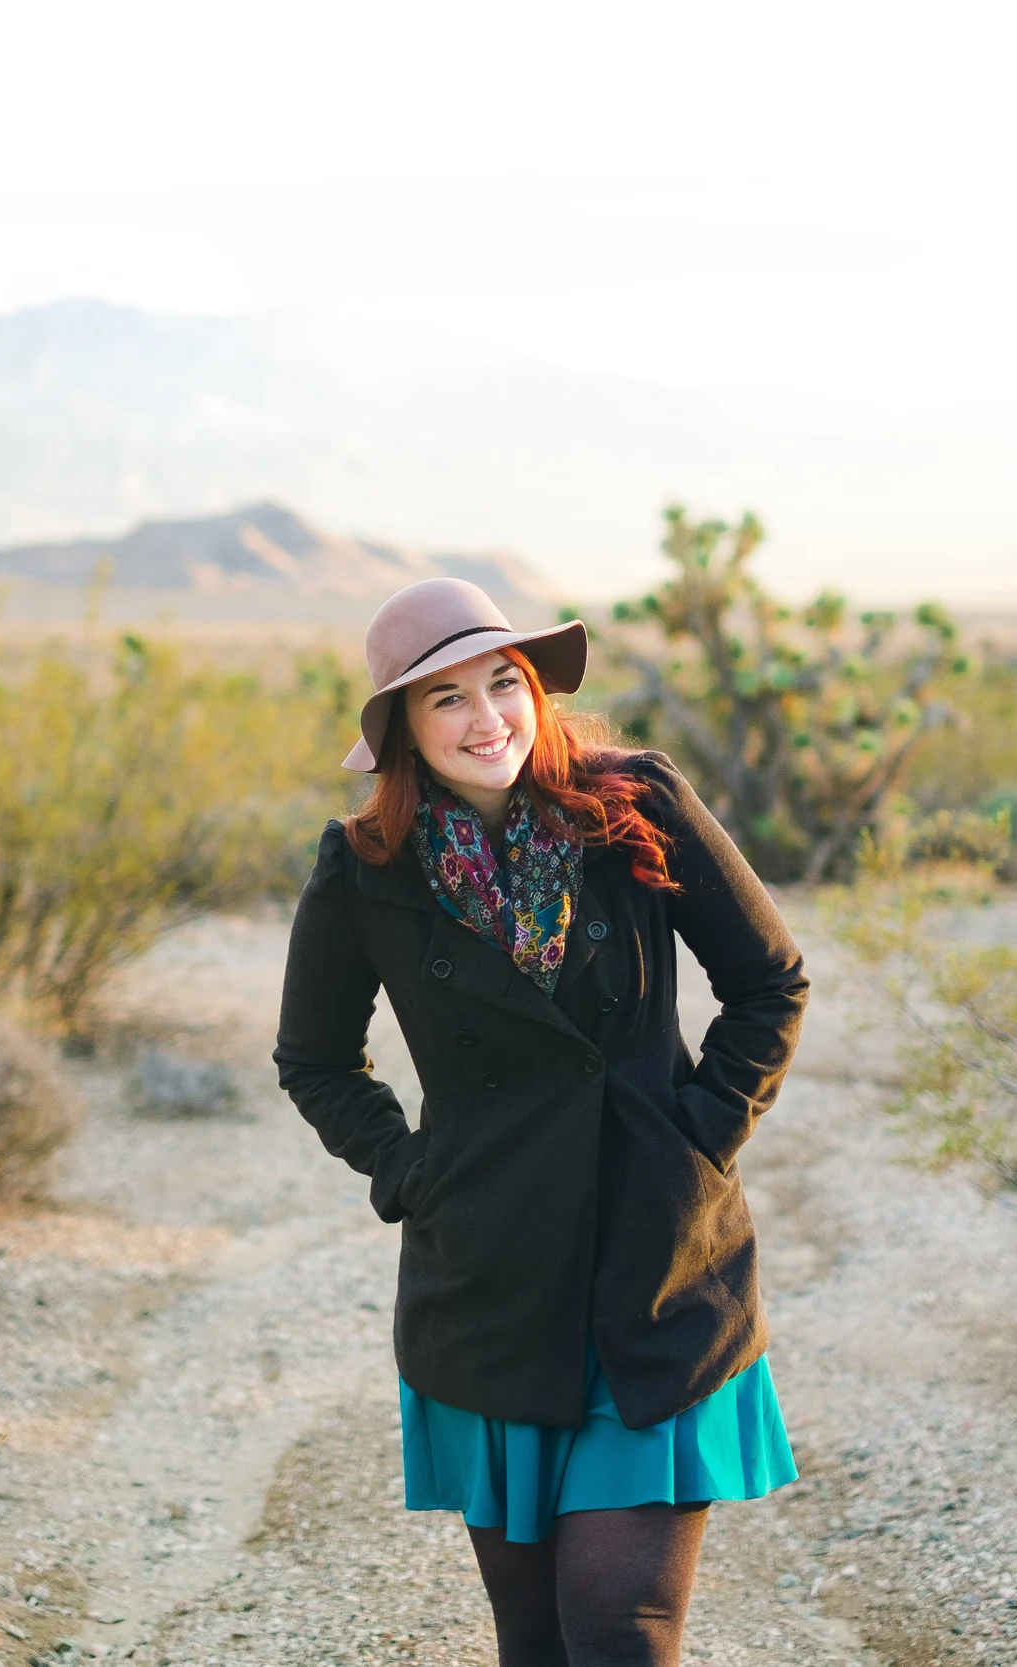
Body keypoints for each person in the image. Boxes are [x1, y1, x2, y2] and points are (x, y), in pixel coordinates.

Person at [275, 577, 809, 1667]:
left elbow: (770, 980)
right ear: (404, 733)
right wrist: (416, 1174)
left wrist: (697, 1133)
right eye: (446, 700)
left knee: (619, 1631)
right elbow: (316, 1060)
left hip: (657, 1276)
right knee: (535, 1643)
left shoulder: (634, 803)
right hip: (490, 1285)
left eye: (503, 683)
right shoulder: (367, 864)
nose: (487, 720)